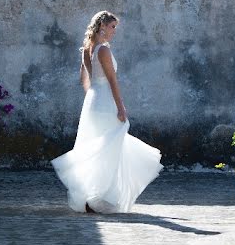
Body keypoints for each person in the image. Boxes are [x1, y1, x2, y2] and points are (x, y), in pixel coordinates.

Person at [51, 11, 163, 213]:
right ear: (102, 25)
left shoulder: (87, 49)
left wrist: (92, 98)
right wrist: (120, 106)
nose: (114, 32)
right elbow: (112, 80)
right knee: (108, 148)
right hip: (104, 101)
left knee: (97, 147)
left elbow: (84, 80)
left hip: (92, 101)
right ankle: (99, 196)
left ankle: (90, 197)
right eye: (112, 27)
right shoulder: (102, 50)